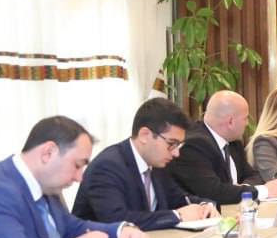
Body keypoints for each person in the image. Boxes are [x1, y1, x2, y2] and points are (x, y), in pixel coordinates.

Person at [0, 116, 155, 238]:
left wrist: (121, 231)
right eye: (77, 165)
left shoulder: (47, 186)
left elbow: (72, 227)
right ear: (48, 153)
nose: (79, 178)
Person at [72, 98, 217, 231]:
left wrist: (204, 206)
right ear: (144, 135)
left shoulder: (157, 164)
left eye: (179, 145)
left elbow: (179, 198)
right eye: (172, 144)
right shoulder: (107, 166)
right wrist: (177, 216)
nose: (176, 153)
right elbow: (117, 220)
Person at [168, 90, 277, 207]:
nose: (247, 124)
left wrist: (241, 190)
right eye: (245, 118)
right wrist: (263, 191)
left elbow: (254, 176)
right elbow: (214, 192)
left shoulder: (233, 142)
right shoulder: (193, 145)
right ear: (230, 122)